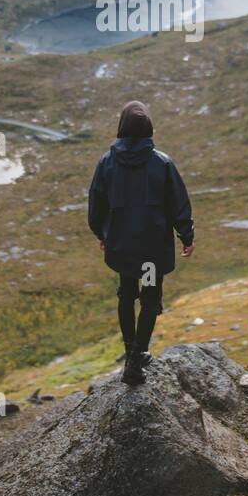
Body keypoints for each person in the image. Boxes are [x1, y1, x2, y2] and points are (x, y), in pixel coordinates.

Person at [88, 100, 194, 385]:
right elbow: (178, 203)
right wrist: (186, 235)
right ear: (148, 128)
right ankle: (136, 357)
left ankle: (130, 352)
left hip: (122, 245)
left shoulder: (107, 162)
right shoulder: (161, 163)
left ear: (121, 126)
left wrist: (102, 234)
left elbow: (96, 202)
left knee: (126, 294)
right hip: (151, 248)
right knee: (149, 299)